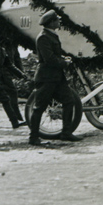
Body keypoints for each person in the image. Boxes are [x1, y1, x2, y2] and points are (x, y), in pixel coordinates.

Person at [28, 11, 83, 145]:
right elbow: (49, 59)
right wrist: (65, 63)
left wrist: (63, 58)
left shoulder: (50, 35)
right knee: (39, 107)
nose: (59, 22)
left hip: (56, 77)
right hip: (46, 77)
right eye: (57, 20)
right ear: (51, 22)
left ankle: (66, 133)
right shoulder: (43, 37)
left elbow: (54, 54)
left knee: (69, 100)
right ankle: (33, 137)